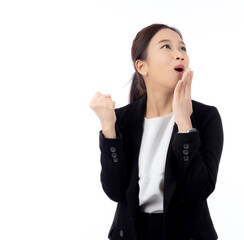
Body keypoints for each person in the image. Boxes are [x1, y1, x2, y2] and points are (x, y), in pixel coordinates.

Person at [89, 23, 224, 240]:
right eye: (166, 47)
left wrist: (185, 126)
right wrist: (108, 129)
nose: (179, 55)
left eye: (182, 48)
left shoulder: (205, 116)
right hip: (131, 233)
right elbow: (115, 191)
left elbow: (198, 190)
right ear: (142, 67)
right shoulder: (121, 119)